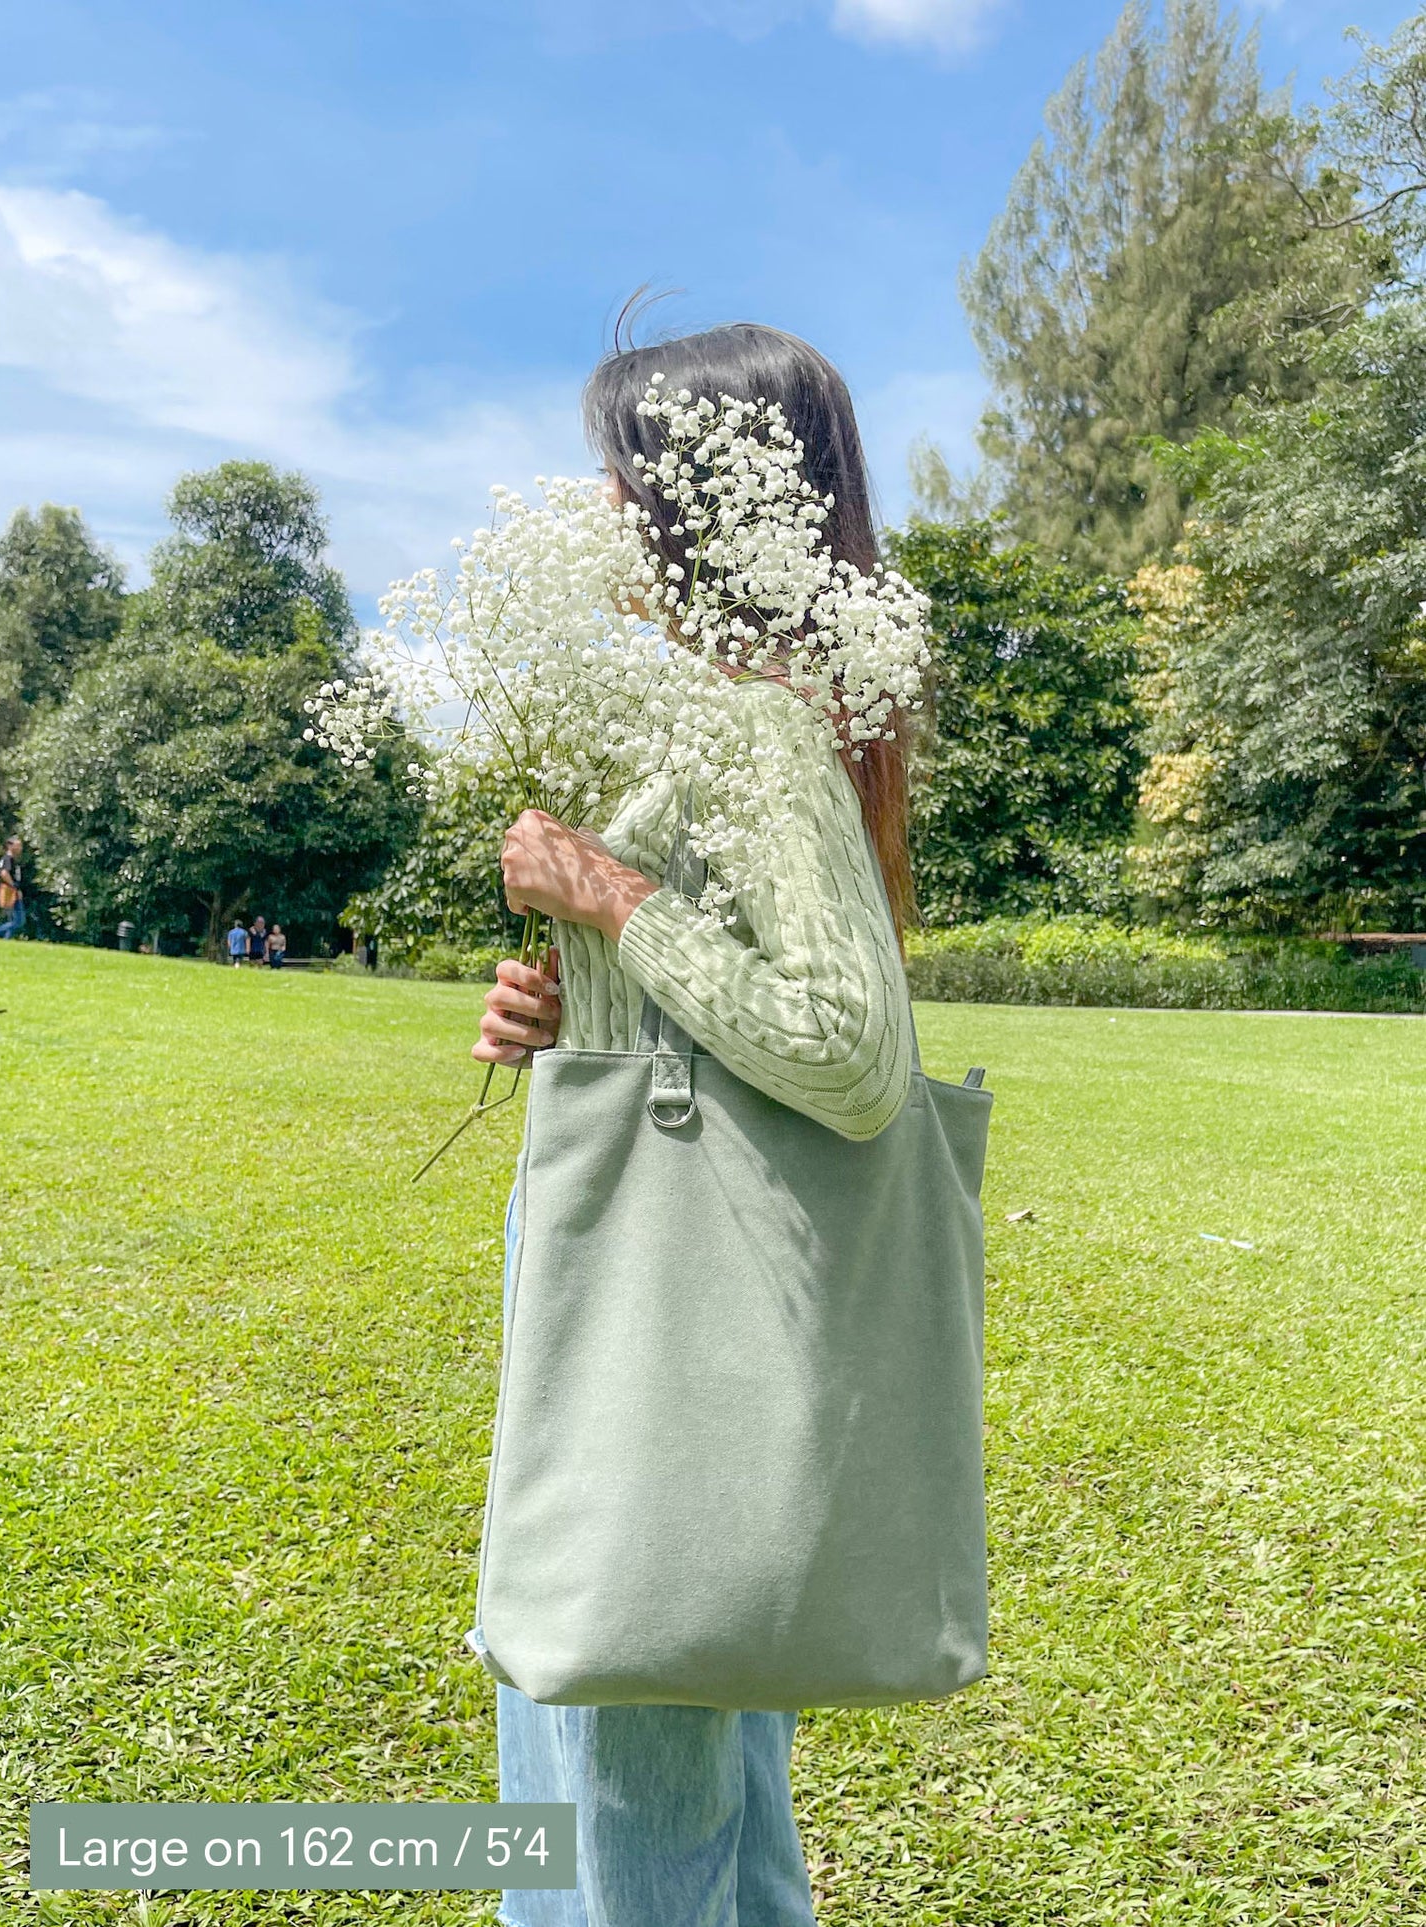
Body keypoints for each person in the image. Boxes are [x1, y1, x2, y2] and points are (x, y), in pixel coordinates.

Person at [472, 321, 920, 1927]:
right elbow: (724, 999)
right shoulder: (709, 713)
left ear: (700, 490)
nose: (590, 498)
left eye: (617, 465)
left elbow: (849, 1050)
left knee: (620, 1729)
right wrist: (562, 1015)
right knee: (672, 1719)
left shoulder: (752, 721)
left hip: (664, 1291)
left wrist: (605, 887)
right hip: (655, 1254)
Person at [0, 836, 26, 940]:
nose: (20, 848)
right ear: (10, 846)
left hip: (13, 891)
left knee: (13, 920)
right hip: (10, 891)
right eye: (18, 845)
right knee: (19, 921)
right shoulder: (7, 859)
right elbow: (4, 873)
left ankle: (6, 941)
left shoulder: (12, 859)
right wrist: (14, 886)